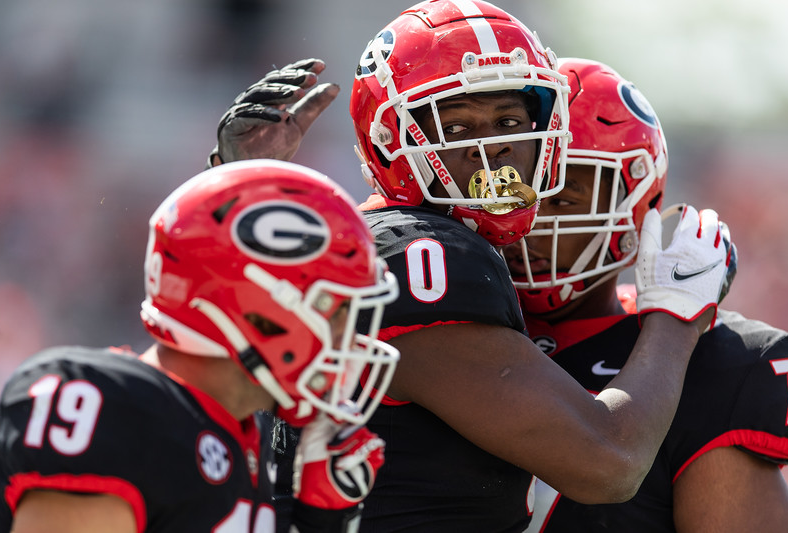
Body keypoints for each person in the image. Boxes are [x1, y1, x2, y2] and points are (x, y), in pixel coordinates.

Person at [208, 1, 737, 530]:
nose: (495, 148)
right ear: (392, 141)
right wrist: (674, 316)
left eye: (509, 121)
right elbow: (609, 463)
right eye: (457, 128)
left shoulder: (354, 241)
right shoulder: (426, 257)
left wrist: (243, 193)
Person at [0, 159, 402, 532]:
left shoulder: (248, 434)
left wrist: (318, 522)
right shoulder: (107, 405)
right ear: (259, 310)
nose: (349, 333)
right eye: (335, 310)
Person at [502, 58, 788, 532]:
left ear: (631, 207)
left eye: (563, 198)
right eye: (510, 189)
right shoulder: (444, 324)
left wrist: (674, 331)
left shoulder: (712, 362)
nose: (529, 221)